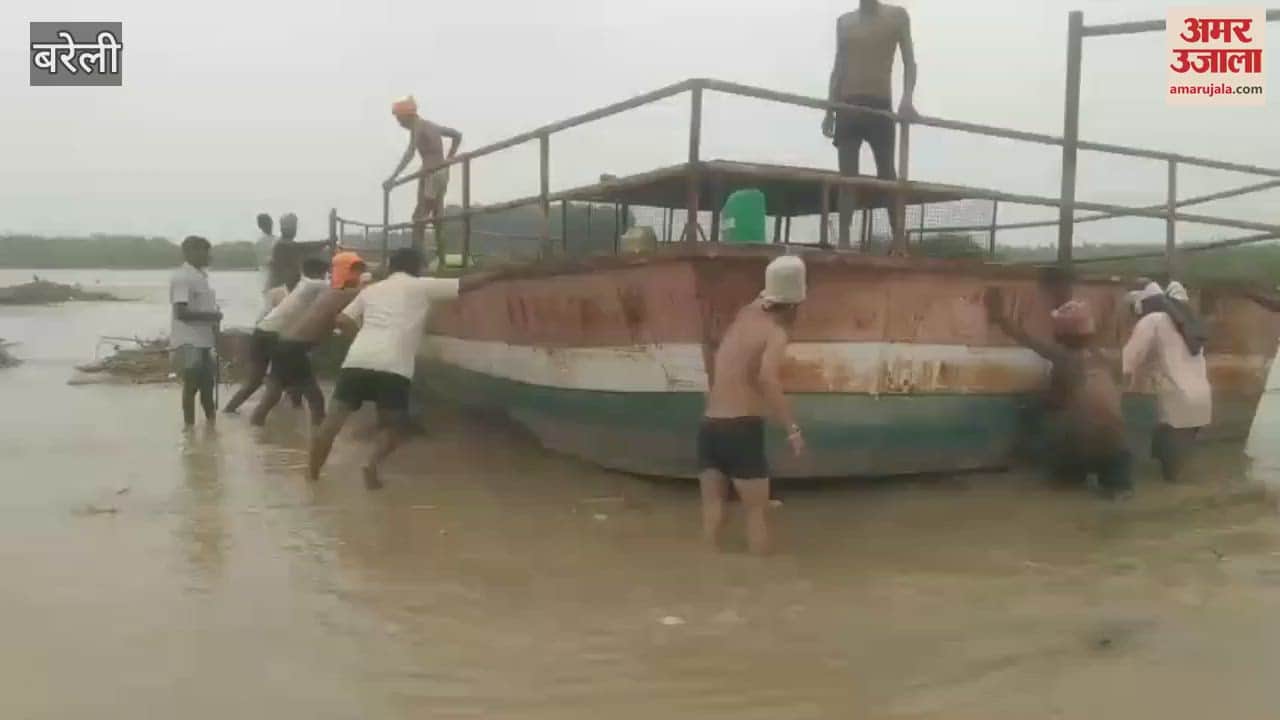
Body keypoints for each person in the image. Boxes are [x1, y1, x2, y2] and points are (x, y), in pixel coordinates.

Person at [309, 248, 479, 489]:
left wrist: (361, 338)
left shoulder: (372, 290)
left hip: (357, 361)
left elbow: (342, 320)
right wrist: (507, 273)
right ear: (417, 267)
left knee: (331, 424)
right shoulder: (422, 286)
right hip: (394, 366)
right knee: (395, 427)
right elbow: (466, 283)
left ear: (390, 266)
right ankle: (371, 465)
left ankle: (312, 478)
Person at [698, 256, 808, 555]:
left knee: (713, 508)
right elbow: (767, 379)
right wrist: (792, 429)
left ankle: (706, 570)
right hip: (741, 428)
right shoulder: (776, 333)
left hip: (709, 426)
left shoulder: (744, 315)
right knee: (757, 514)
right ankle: (761, 587)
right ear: (795, 304)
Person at [985, 290, 1132, 498]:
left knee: (1064, 484)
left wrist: (1001, 319)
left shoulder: (1064, 358)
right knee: (1119, 494)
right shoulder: (1103, 358)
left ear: (1061, 334)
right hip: (1118, 446)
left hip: (1080, 444)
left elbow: (1027, 340)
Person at [822, 0, 917, 253]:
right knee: (847, 178)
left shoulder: (896, 16)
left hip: (880, 105)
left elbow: (910, 61)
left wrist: (906, 99)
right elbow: (838, 67)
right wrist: (829, 110)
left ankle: (898, 241)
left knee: (887, 176)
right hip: (848, 105)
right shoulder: (844, 22)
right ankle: (843, 240)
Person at [250, 252, 367, 427]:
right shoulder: (336, 293)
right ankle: (316, 439)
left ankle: (255, 434)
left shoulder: (332, 292)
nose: (357, 275)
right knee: (316, 399)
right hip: (293, 349)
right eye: (355, 270)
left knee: (273, 396)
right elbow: (359, 298)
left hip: (285, 345)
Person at [1122, 281, 1212, 483]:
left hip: (1176, 403)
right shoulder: (1187, 324)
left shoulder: (1151, 321)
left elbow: (1129, 360)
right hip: (1201, 402)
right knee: (1177, 463)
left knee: (1171, 473)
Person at [223, 256, 325, 414]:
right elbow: (337, 290)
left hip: (264, 332)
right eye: (325, 273)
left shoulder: (303, 287)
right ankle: (287, 417)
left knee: (262, 381)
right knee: (295, 382)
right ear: (319, 273)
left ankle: (232, 412)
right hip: (276, 336)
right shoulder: (312, 285)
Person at [383, 96, 463, 250]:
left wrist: (392, 178)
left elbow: (410, 153)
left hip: (432, 174)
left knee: (418, 218)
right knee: (437, 218)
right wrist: (449, 159)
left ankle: (418, 260)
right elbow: (457, 135)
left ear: (408, 116)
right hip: (442, 173)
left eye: (399, 118)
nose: (399, 123)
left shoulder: (417, 126)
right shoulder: (431, 126)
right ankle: (442, 260)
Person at [169, 236, 222, 428]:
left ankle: (211, 429)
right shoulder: (183, 277)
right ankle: (189, 429)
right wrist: (212, 316)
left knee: (208, 388)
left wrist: (215, 328)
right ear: (190, 252)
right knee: (191, 387)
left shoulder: (200, 277)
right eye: (204, 251)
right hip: (189, 341)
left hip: (204, 341)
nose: (208, 255)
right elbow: (181, 312)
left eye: (208, 251)